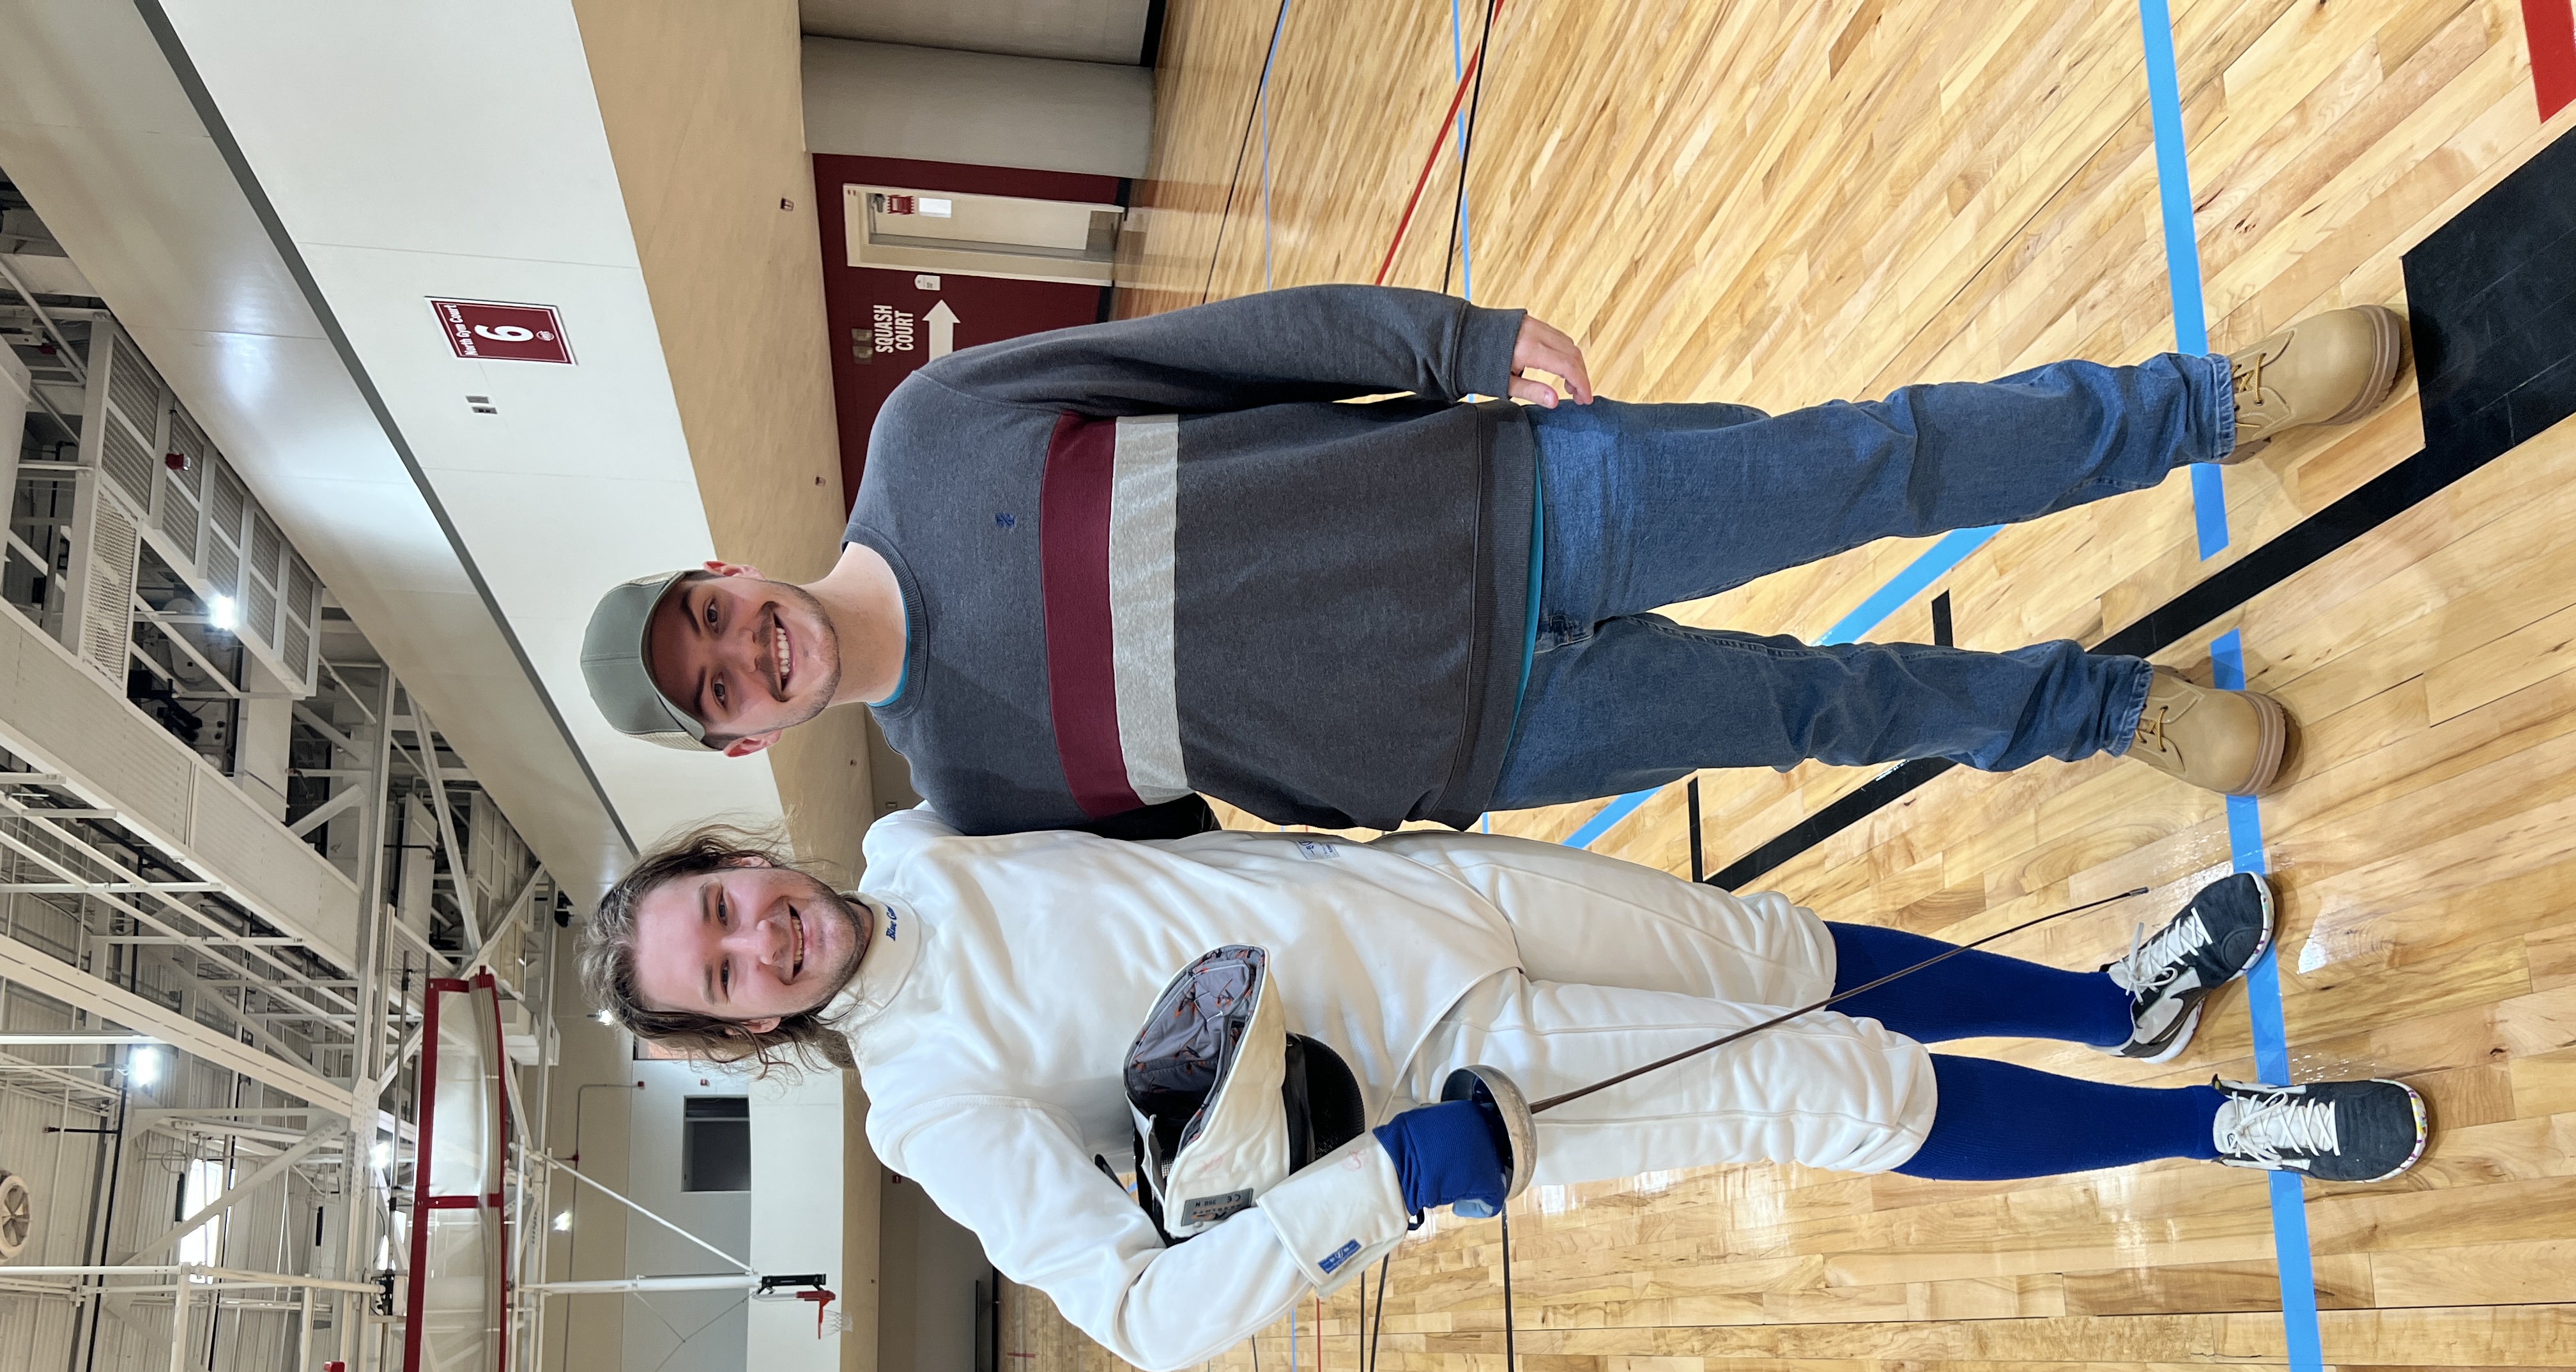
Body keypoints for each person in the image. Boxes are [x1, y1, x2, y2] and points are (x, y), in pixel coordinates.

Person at [577, 812, 2428, 1372]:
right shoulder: (921, 1108)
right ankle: (2223, 1129)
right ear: (742, 1035)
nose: (757, 940)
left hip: (1444, 895)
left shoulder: (916, 837)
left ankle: (2116, 1009)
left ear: (743, 858)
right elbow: (1142, 1314)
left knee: (1790, 952)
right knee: (1842, 1090)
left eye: (723, 907)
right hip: (1467, 1085)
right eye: (722, 975)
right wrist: (1386, 1181)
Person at [579, 289, 2406, 834]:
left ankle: (2203, 406)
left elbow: (1224, 350)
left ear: (724, 569)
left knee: (1875, 462)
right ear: (741, 740)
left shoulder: (933, 435)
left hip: (1521, 499)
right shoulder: (975, 797)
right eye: (718, 687)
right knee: (1824, 712)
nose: (747, 649)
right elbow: (1225, 890)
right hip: (1494, 744)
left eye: (711, 616)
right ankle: (2101, 714)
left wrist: (1449, 340)